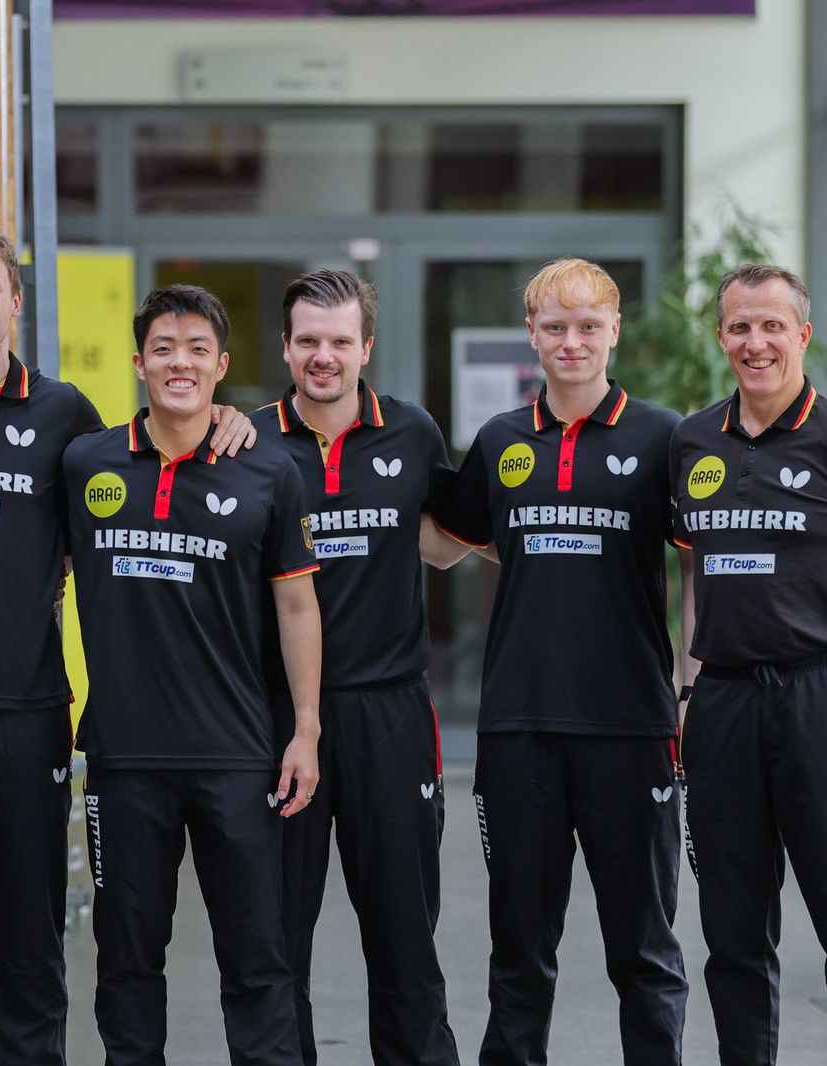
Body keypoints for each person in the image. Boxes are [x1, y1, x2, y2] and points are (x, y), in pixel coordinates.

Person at [0, 222, 253, 1066]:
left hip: (28, 712)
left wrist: (232, 421)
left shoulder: (66, 413)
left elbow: (134, 488)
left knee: (30, 939)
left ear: (16, 303)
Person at [670, 264, 827, 1066]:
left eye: (772, 326)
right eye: (741, 327)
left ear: (803, 336)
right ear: (722, 338)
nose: (756, 342)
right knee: (734, 933)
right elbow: (694, 576)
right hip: (724, 703)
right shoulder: (693, 443)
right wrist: (688, 687)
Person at [435, 259, 689, 1066]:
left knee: (643, 954)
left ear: (615, 329)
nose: (571, 341)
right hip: (518, 730)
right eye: (554, 326)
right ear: (531, 335)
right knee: (518, 953)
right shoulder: (501, 440)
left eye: (587, 325)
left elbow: (700, 567)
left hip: (630, 726)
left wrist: (691, 686)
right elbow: (448, 542)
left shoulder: (663, 436)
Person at [63, 283, 321, 1066]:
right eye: (164, 348)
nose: (181, 362)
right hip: (124, 758)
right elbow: (39, 581)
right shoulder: (85, 462)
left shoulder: (268, 470)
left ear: (222, 365)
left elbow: (299, 610)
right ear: (139, 361)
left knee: (257, 962)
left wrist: (305, 730)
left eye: (197, 349)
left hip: (238, 758)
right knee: (129, 963)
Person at [251, 269, 469, 1066]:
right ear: (285, 346)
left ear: (366, 348)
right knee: (276, 939)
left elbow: (446, 543)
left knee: (404, 933)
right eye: (307, 340)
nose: (323, 356)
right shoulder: (246, 440)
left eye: (340, 341)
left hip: (391, 713)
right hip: (280, 721)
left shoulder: (412, 433)